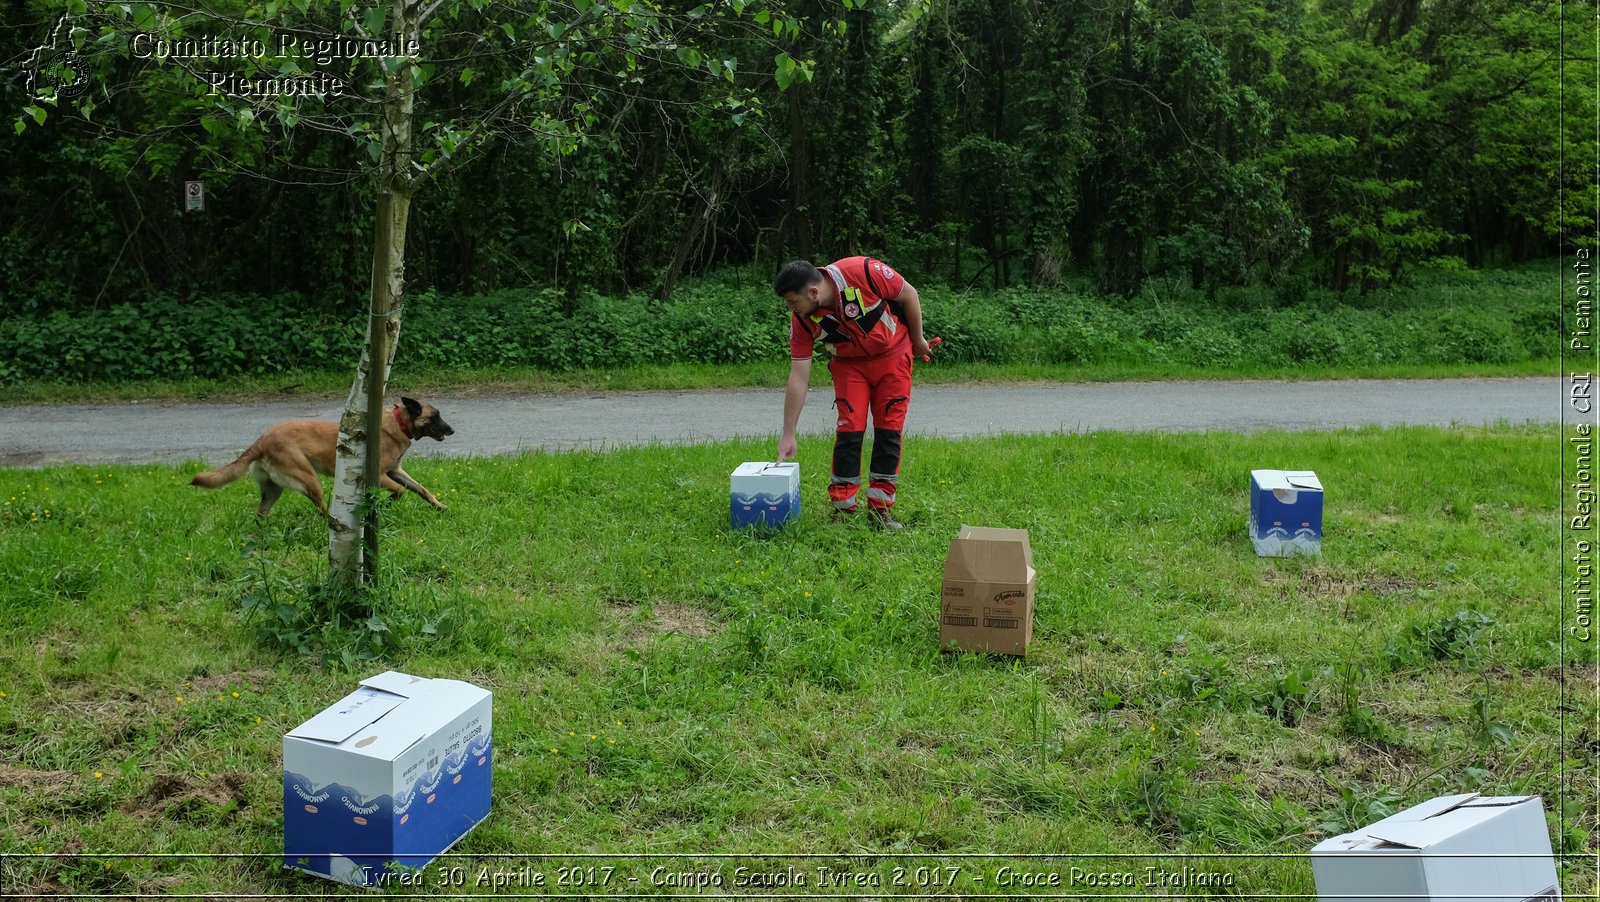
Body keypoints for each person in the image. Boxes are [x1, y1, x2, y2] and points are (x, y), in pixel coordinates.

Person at [774, 257, 932, 531]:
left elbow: (909, 294)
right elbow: (798, 377)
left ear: (813, 292)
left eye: (792, 302)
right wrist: (789, 432)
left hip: (893, 357)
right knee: (849, 432)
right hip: (849, 367)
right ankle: (842, 512)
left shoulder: (863, 271)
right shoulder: (802, 320)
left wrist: (918, 340)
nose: (791, 309)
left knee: (889, 431)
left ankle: (880, 511)